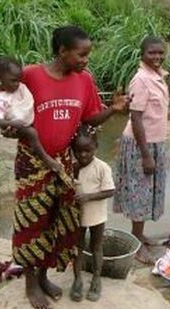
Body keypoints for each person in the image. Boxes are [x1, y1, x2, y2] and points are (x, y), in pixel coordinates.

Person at [8, 25, 127, 309]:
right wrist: (7, 125)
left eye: (88, 54)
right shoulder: (31, 76)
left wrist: (113, 109)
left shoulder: (84, 80)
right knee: (31, 222)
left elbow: (90, 119)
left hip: (64, 163)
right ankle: (30, 283)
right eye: (81, 54)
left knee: (58, 221)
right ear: (62, 51)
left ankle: (44, 275)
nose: (86, 60)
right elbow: (6, 103)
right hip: (32, 162)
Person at [113, 36, 170, 264]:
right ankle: (136, 244)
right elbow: (135, 118)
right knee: (140, 194)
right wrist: (146, 155)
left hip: (155, 142)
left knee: (148, 192)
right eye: (151, 53)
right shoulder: (141, 80)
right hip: (141, 145)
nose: (156, 57)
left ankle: (140, 234)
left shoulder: (158, 77)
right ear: (142, 55)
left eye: (160, 53)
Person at [0, 57, 67, 180]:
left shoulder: (19, 87)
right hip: (13, 124)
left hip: (24, 119)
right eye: (13, 81)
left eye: (19, 80)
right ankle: (46, 158)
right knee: (31, 133)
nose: (17, 84)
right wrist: (13, 124)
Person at [70, 126, 115, 302]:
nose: (83, 155)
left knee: (96, 247)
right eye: (78, 151)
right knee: (78, 247)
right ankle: (77, 280)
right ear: (73, 150)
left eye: (87, 151)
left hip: (97, 215)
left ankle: (96, 279)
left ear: (96, 147)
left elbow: (110, 191)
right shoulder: (73, 168)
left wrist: (88, 197)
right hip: (78, 216)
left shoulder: (102, 167)